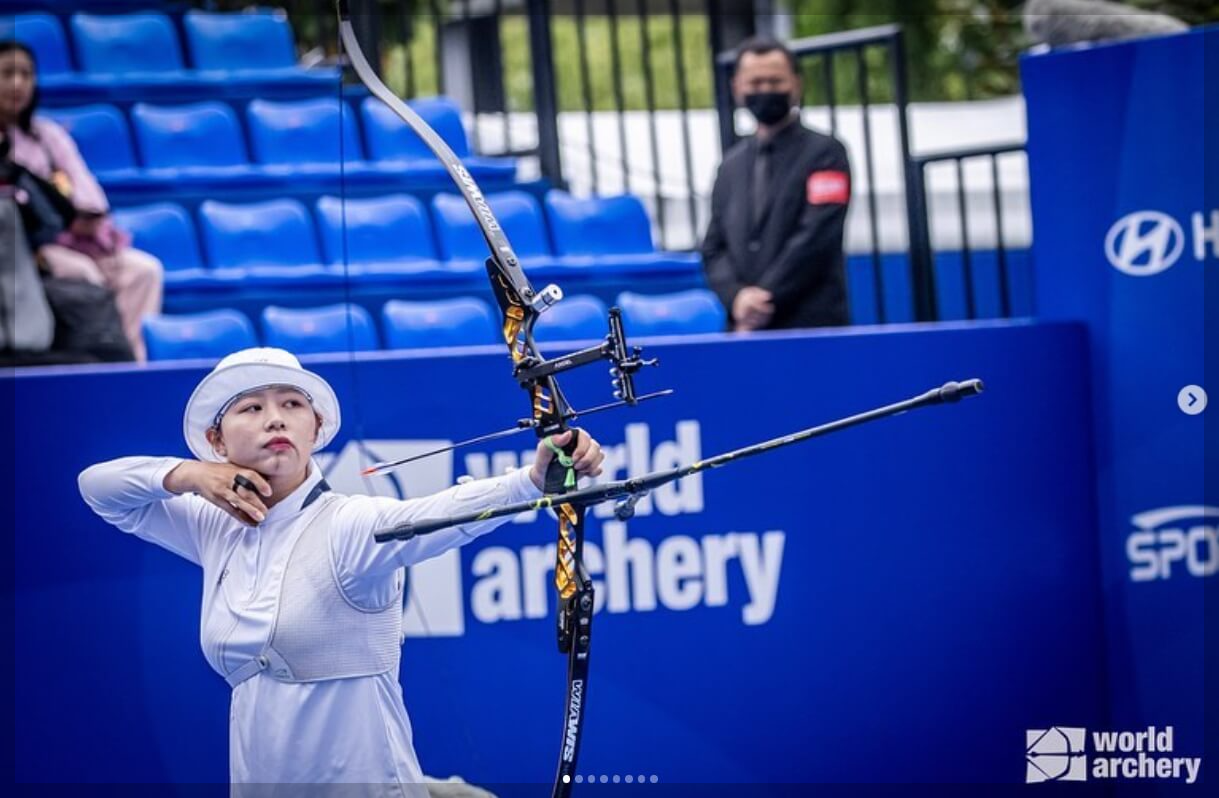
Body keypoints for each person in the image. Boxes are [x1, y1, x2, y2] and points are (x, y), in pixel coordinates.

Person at [78, 347, 606, 794]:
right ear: (217, 441)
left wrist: (529, 481)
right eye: (251, 408)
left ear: (316, 427)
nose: (275, 419)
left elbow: (435, 515)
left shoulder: (348, 524)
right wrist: (190, 475)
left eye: (291, 404)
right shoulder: (214, 525)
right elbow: (98, 488)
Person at [0, 40, 162, 361]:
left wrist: (80, 214)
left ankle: (133, 367)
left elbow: (90, 196)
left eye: (26, 74)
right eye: (7, 74)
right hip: (33, 251)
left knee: (144, 271)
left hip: (83, 239)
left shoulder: (47, 135)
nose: (18, 84)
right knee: (86, 276)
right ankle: (101, 365)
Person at [701, 36, 852, 331]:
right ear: (737, 87)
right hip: (744, 331)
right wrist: (736, 298)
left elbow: (816, 237)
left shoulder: (826, 154)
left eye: (775, 81)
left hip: (811, 326)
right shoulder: (730, 165)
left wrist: (761, 301)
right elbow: (713, 247)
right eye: (755, 82)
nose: (765, 90)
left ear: (796, 84)